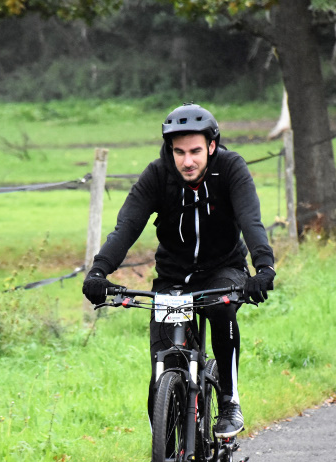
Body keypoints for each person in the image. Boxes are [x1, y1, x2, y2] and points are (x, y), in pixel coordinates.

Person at [82, 102, 275, 441]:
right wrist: (99, 271)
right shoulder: (157, 175)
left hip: (223, 269)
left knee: (222, 309)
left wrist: (264, 267)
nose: (187, 161)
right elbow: (127, 227)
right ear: (170, 150)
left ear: (211, 146)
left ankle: (229, 401)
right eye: (179, 152)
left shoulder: (231, 168)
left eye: (195, 151)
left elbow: (251, 220)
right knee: (163, 370)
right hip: (173, 278)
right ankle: (168, 461)